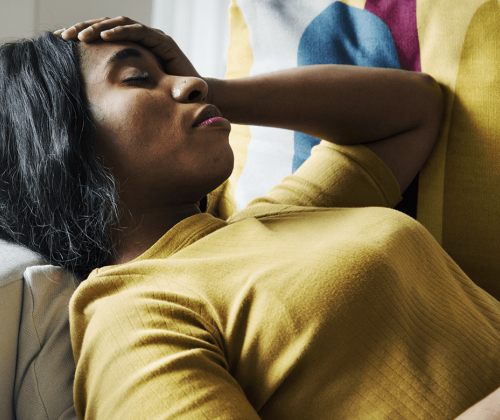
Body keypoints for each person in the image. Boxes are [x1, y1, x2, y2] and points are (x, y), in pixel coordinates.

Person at [1, 15, 499, 419]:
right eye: (136, 78)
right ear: (59, 146)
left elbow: (415, 108)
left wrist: (215, 92)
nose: (187, 83)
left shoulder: (279, 216)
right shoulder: (132, 316)